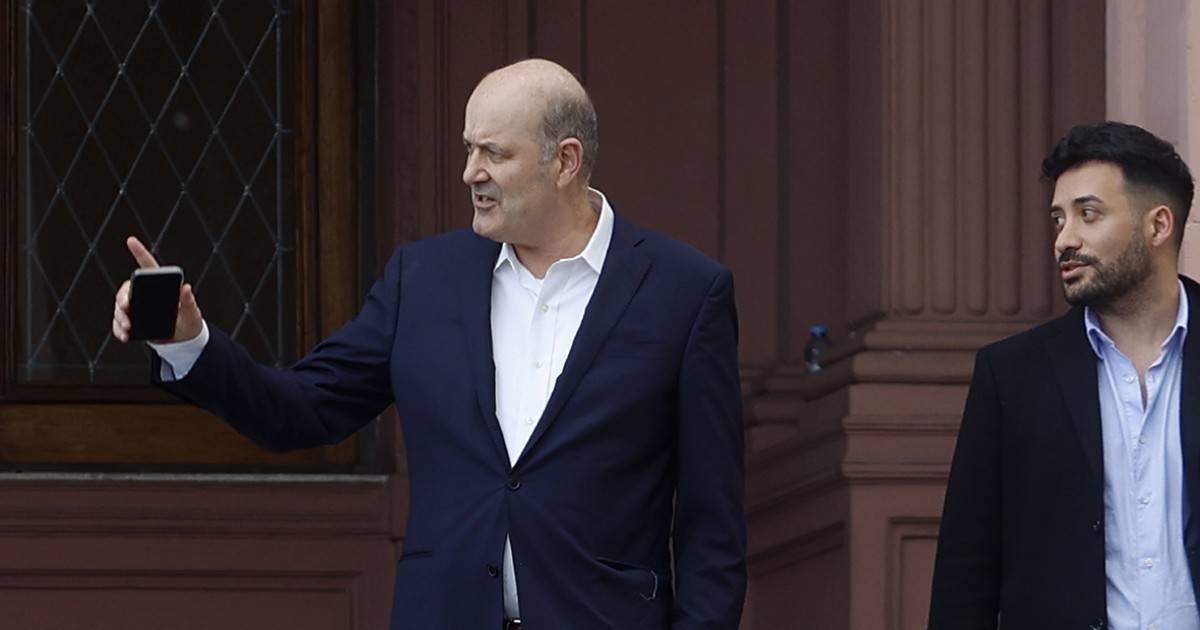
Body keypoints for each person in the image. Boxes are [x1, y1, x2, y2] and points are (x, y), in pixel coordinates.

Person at [111, 58, 747, 629]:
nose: (471, 172)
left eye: (494, 153)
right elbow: (300, 409)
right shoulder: (422, 279)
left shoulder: (686, 292)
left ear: (565, 162)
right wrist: (189, 342)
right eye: (468, 148)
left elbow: (712, 527)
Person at [928, 121, 1200, 629]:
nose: (1064, 240)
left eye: (1087, 214)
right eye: (1058, 219)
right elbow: (967, 569)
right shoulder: (1012, 376)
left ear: (1158, 225)